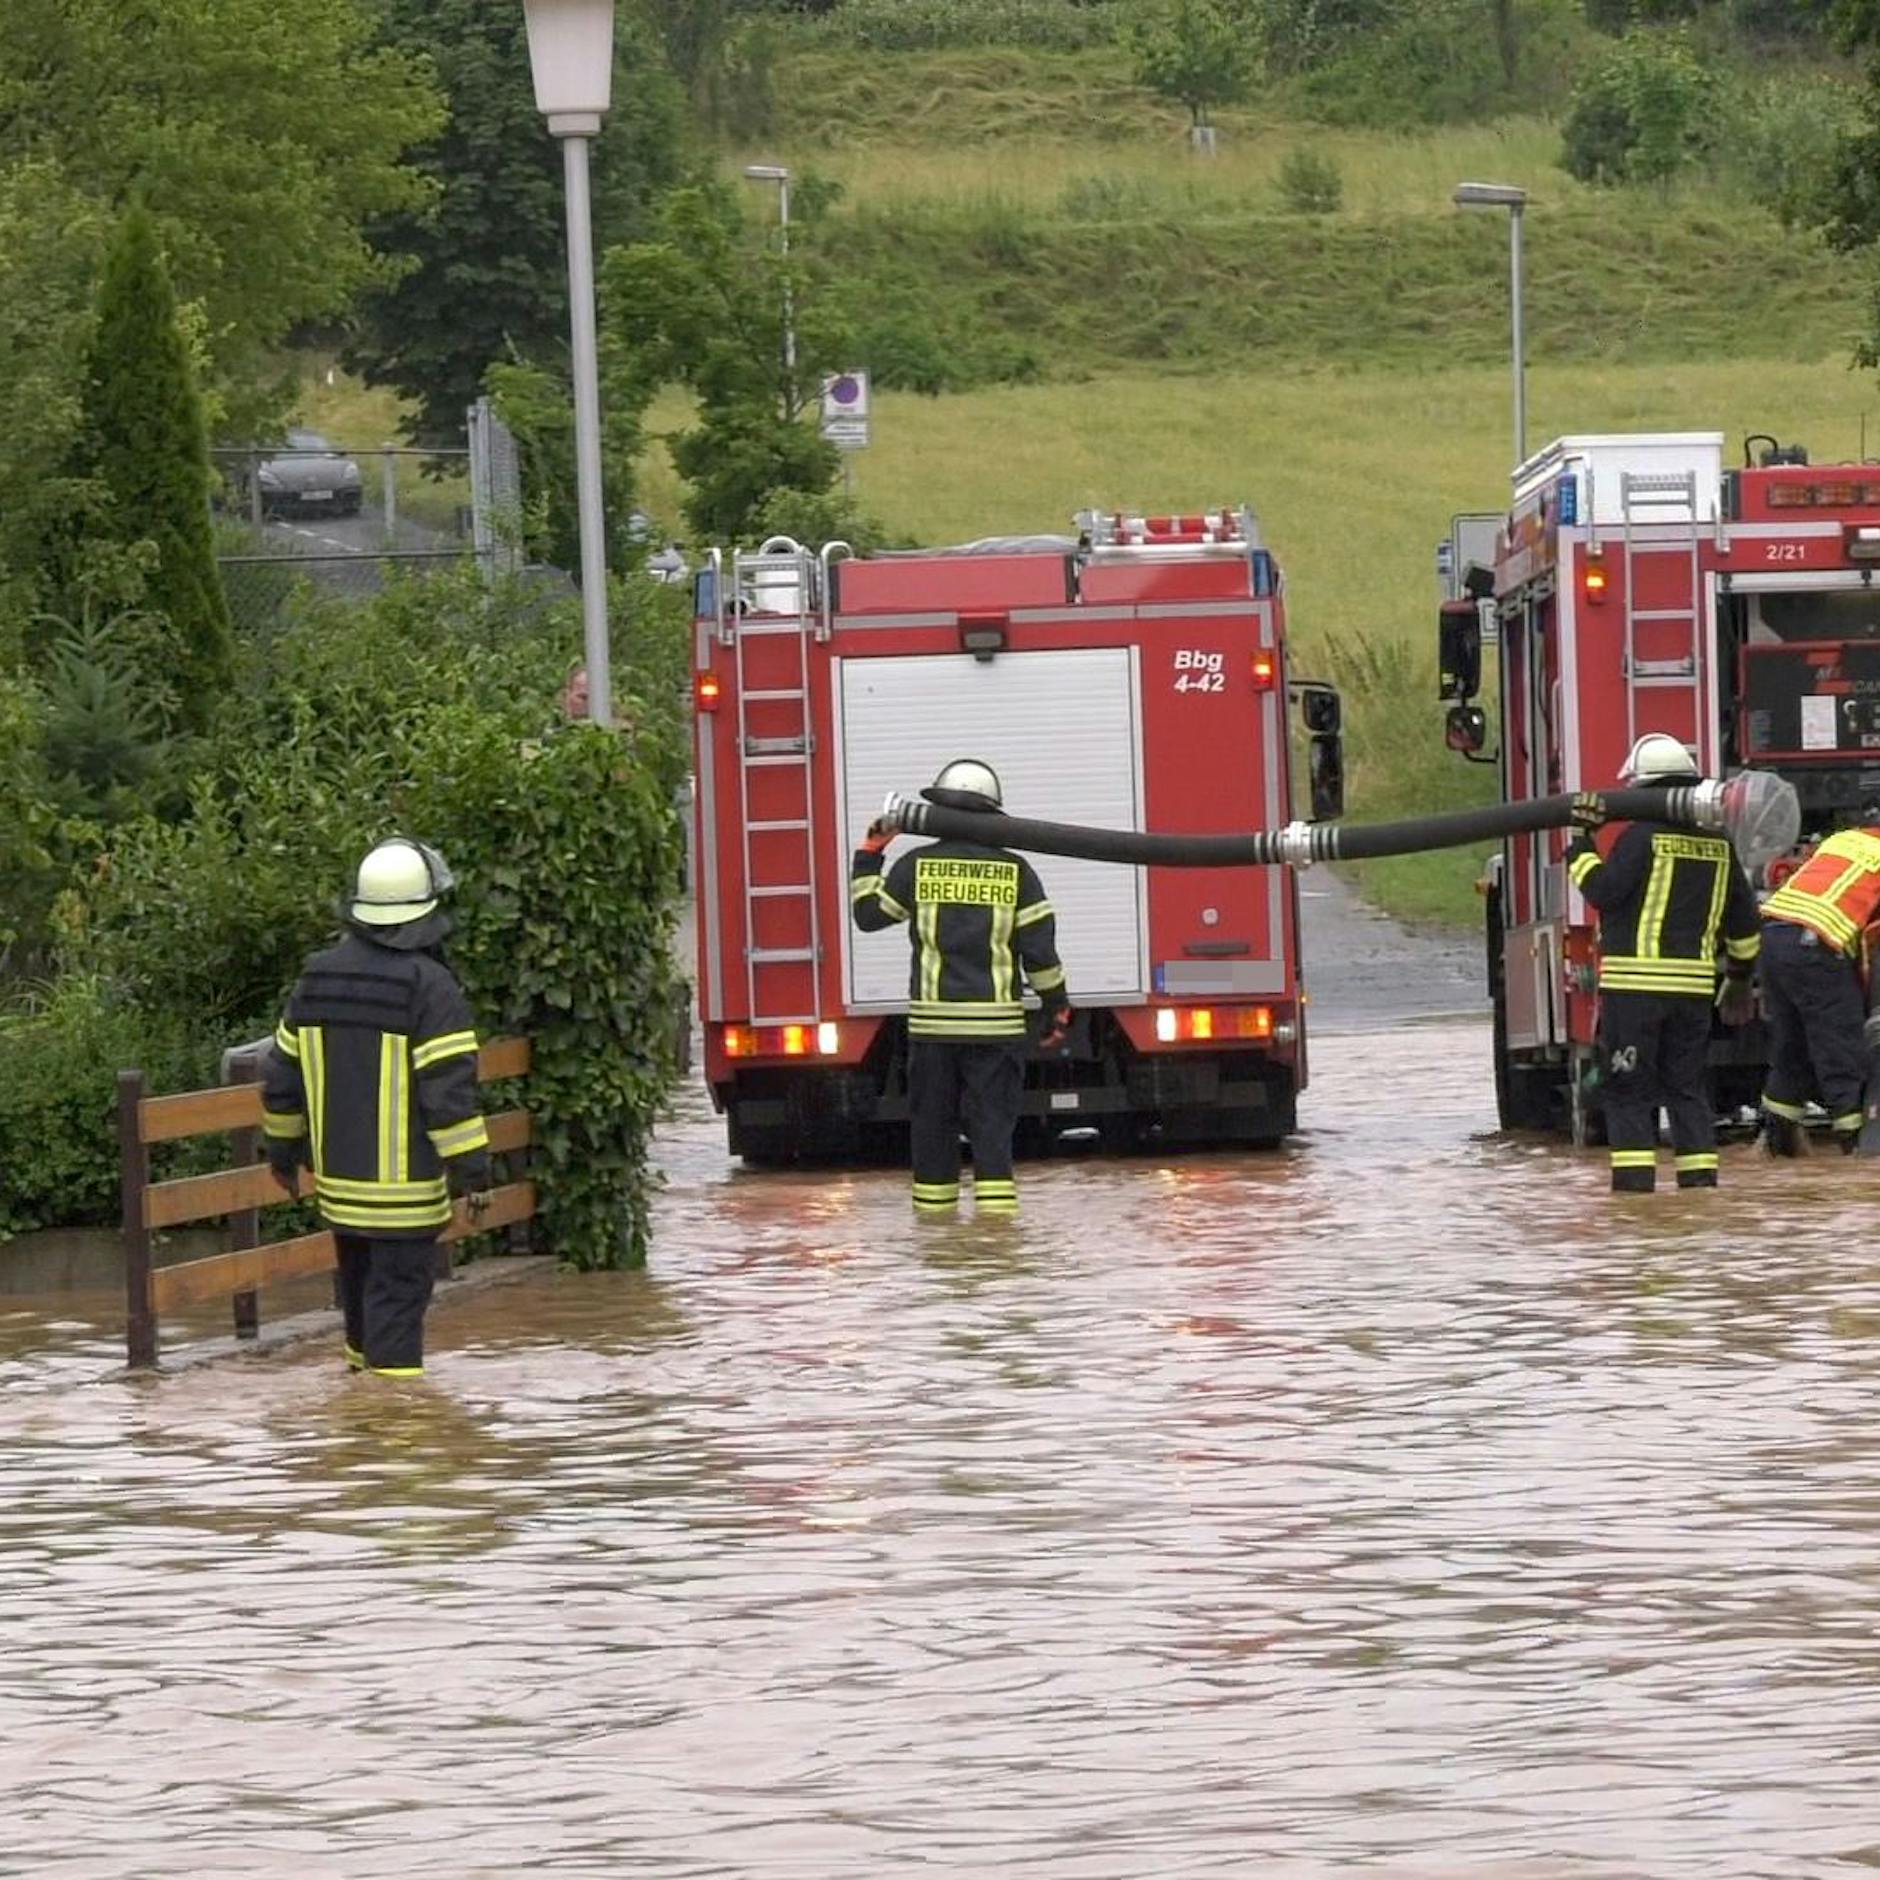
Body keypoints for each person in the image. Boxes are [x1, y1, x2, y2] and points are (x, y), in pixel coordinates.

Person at [261, 838, 492, 1376]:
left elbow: (280, 1078)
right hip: (405, 1201)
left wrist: (281, 1153)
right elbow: (449, 1096)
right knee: (396, 1334)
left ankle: (357, 1431)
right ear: (426, 909)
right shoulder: (431, 988)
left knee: (361, 1323)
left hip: (341, 1194)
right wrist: (474, 1173)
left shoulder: (317, 976)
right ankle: (394, 1440)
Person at [851, 759, 1070, 1216]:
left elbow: (869, 917)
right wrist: (1056, 1007)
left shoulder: (916, 866)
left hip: (933, 1033)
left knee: (932, 1133)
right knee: (992, 1135)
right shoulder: (1016, 872)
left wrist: (870, 853)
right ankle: (994, 1240)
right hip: (996, 1033)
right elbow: (1041, 956)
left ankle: (936, 1241)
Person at [1565, 733, 1760, 1193]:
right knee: (1688, 1092)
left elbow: (1603, 893)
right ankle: (1699, 1193)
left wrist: (1579, 844)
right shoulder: (1719, 844)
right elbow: (1746, 927)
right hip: (1693, 997)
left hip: (1636, 993)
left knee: (1629, 1093)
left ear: (1641, 786)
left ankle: (1635, 1202)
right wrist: (1737, 981)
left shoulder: (1640, 837)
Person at [1755, 813, 1880, 1156]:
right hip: (1816, 943)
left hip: (1772, 934)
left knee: (1791, 1045)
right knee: (1842, 1045)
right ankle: (1858, 1147)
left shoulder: (1844, 840)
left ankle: (1779, 1143)